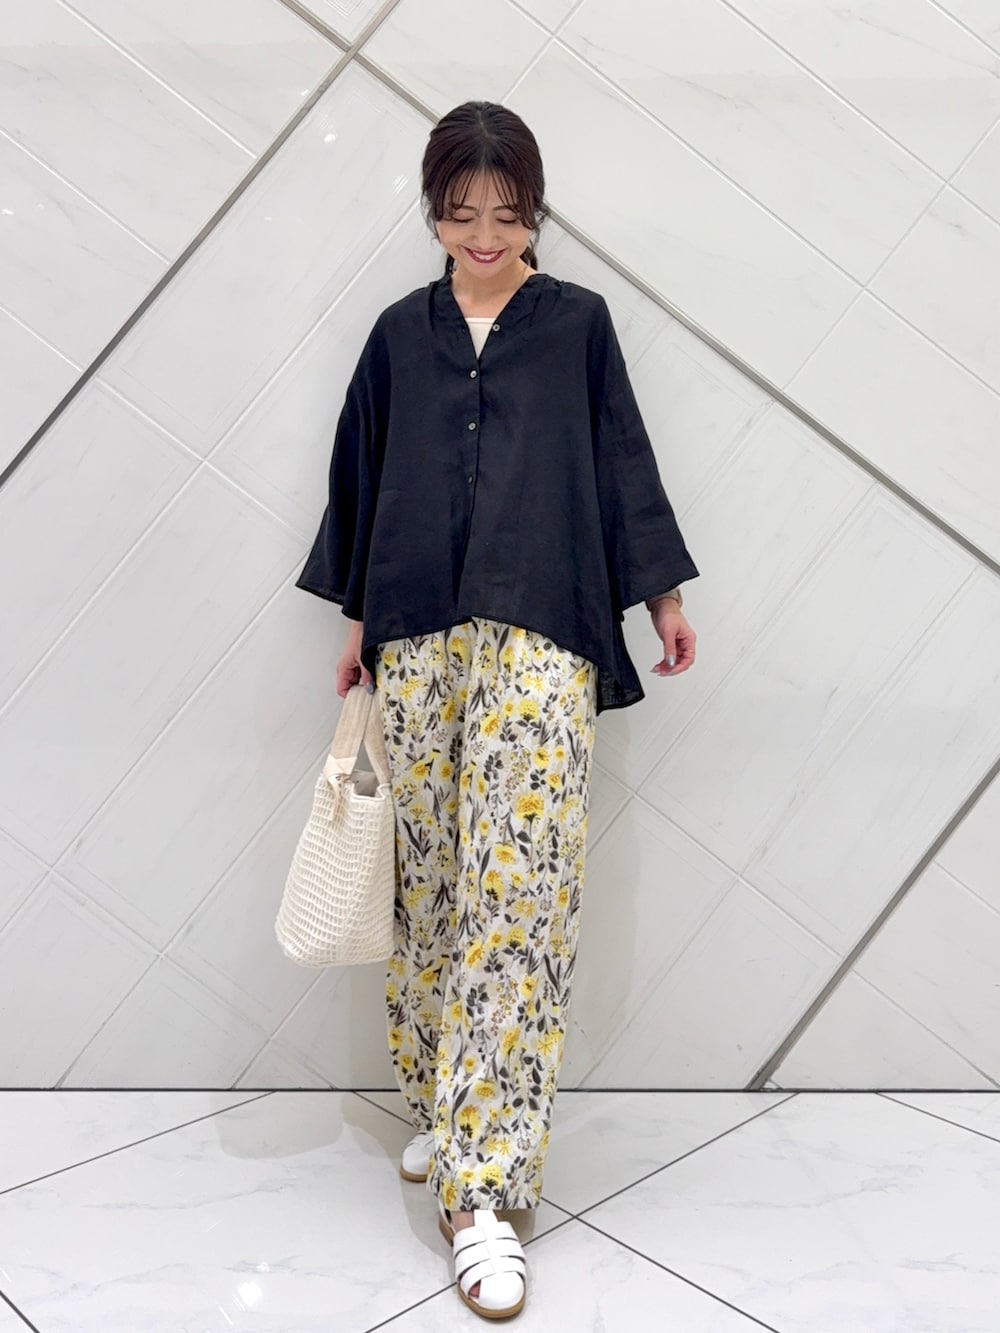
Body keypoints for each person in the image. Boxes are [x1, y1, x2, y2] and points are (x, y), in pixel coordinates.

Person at [295, 100, 699, 1320]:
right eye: (460, 212)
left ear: (534, 210)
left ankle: (485, 1186)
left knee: (516, 899)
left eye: (506, 212)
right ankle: (444, 1099)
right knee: (430, 890)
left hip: (542, 632)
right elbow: (363, 480)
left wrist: (662, 596)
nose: (483, 233)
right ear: (432, 210)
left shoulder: (577, 325)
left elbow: (621, 462)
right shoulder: (395, 336)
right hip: (416, 638)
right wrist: (358, 628)